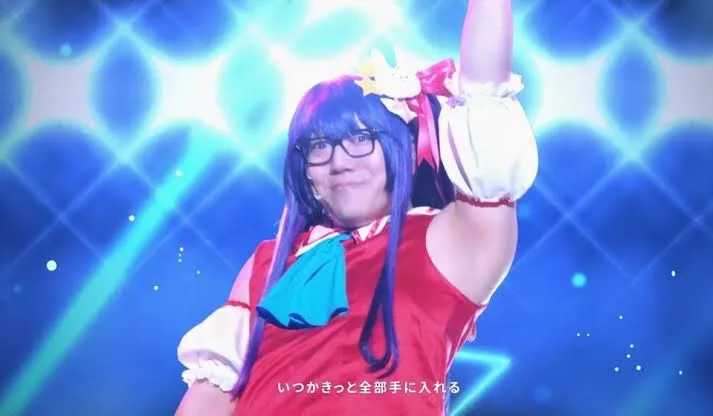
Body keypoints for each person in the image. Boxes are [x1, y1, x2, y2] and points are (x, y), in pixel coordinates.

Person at [175, 0, 538, 414]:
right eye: (319, 146)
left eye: (361, 139)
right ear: (304, 170)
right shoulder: (267, 262)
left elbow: (485, 89)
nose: (339, 161)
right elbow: (210, 398)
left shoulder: (452, 241)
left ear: (404, 149)